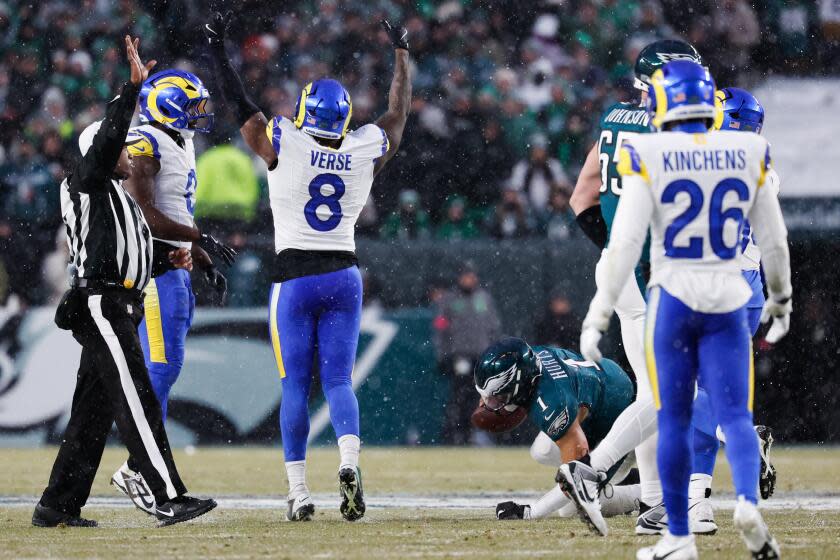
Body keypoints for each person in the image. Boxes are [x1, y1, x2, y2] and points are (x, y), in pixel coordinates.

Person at [580, 60, 790, 560]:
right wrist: (780, 298)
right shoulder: (751, 154)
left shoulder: (649, 151)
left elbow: (626, 243)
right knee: (735, 415)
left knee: (673, 415)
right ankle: (746, 505)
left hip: (674, 294)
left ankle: (680, 532)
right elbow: (775, 240)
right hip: (730, 293)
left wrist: (598, 312)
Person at [204, 13, 411, 522]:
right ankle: (348, 460)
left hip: (294, 276)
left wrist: (217, 48)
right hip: (344, 273)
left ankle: (298, 491)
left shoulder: (285, 140)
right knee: (338, 382)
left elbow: (239, 106)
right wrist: (402, 55)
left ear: (303, 112)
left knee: (295, 385)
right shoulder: (363, 146)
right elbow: (398, 115)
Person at [33, 36, 216, 529]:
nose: (130, 157)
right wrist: (130, 91)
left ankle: (57, 505)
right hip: (102, 301)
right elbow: (112, 139)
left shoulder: (114, 194)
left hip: (118, 300)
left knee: (91, 415)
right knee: (137, 397)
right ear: (102, 151)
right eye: (120, 151)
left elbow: (134, 249)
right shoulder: (88, 179)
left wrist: (178, 257)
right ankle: (167, 495)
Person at [569, 39, 704, 534]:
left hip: (616, 269)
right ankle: (592, 470)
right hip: (651, 272)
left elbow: (580, 197)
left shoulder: (613, 119)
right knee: (671, 391)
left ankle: (653, 505)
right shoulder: (671, 128)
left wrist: (614, 249)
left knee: (652, 393)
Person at [111, 68, 236, 514]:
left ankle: (142, 465)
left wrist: (200, 259)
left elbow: (174, 212)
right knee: (159, 371)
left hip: (175, 271)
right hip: (155, 274)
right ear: (167, 106)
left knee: (166, 369)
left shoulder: (182, 141)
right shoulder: (144, 141)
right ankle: (137, 467)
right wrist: (199, 239)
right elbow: (144, 215)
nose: (199, 115)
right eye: (192, 106)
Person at [686, 86, 780, 531]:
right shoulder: (763, 165)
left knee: (682, 391)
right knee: (710, 391)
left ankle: (738, 437)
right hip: (750, 286)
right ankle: (697, 503)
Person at [472, 338, 639, 524]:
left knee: (574, 505)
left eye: (497, 397)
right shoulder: (529, 358)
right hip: (605, 381)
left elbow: (577, 480)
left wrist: (531, 513)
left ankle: (653, 493)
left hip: (625, 412)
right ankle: (618, 477)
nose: (486, 405)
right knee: (542, 450)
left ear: (518, 384)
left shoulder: (556, 402)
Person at [433, 263, 502, 445]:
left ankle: (474, 433)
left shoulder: (484, 299)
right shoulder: (450, 300)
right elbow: (441, 329)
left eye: (472, 276)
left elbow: (493, 327)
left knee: (478, 396)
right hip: (460, 355)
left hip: (481, 355)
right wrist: (444, 354)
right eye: (466, 276)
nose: (469, 280)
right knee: (459, 395)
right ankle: (456, 433)